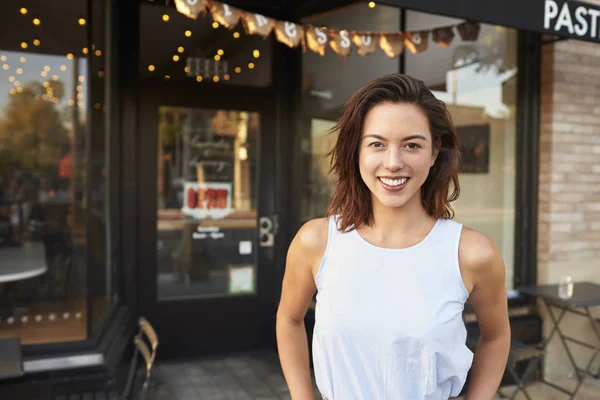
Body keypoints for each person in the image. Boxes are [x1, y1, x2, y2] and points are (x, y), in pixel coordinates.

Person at [276, 74, 510, 400]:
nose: (393, 163)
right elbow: (289, 319)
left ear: (434, 152)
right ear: (356, 151)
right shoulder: (316, 242)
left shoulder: (471, 253)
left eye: (412, 145)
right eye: (377, 144)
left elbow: (496, 337)